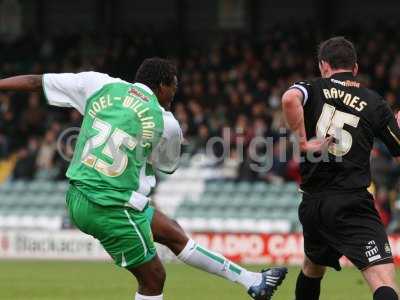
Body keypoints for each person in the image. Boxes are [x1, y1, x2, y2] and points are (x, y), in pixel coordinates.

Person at [0, 57, 287, 300]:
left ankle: (252, 281)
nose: (175, 94)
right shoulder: (167, 122)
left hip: (82, 193)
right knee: (154, 278)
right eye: (173, 87)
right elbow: (167, 166)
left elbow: (37, 81)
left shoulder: (99, 84)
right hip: (109, 204)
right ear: (162, 85)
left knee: (173, 233)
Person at [282, 37, 400, 300]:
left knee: (312, 268)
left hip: (313, 204)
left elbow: (290, 98)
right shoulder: (374, 102)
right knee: (383, 280)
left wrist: (302, 141)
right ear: (355, 68)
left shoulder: (310, 87)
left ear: (323, 65)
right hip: (351, 202)